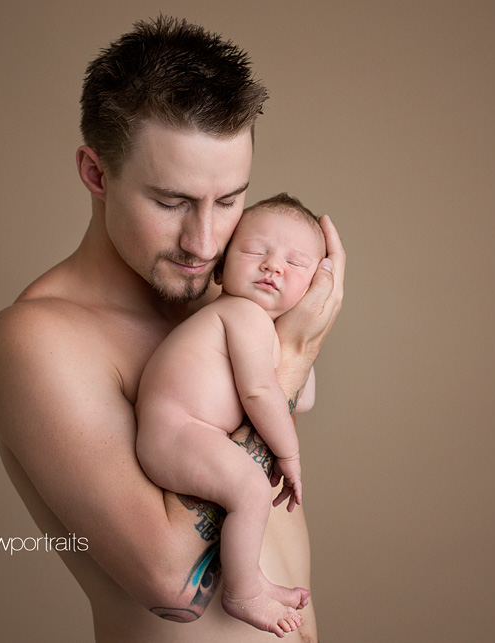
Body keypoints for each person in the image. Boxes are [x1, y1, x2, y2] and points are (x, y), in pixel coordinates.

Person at [0, 15, 345, 643]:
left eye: (229, 200)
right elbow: (170, 577)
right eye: (171, 202)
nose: (204, 242)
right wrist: (293, 350)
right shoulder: (40, 339)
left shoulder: (227, 303)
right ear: (96, 174)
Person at [136, 194, 325, 637]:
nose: (273, 266)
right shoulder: (240, 314)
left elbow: (301, 394)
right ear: (220, 268)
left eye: (297, 264)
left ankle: (250, 579)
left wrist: (307, 334)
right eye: (256, 252)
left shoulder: (266, 330)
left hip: (191, 434)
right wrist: (290, 454)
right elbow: (262, 393)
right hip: (178, 432)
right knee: (252, 490)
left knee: (248, 492)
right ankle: (242, 593)